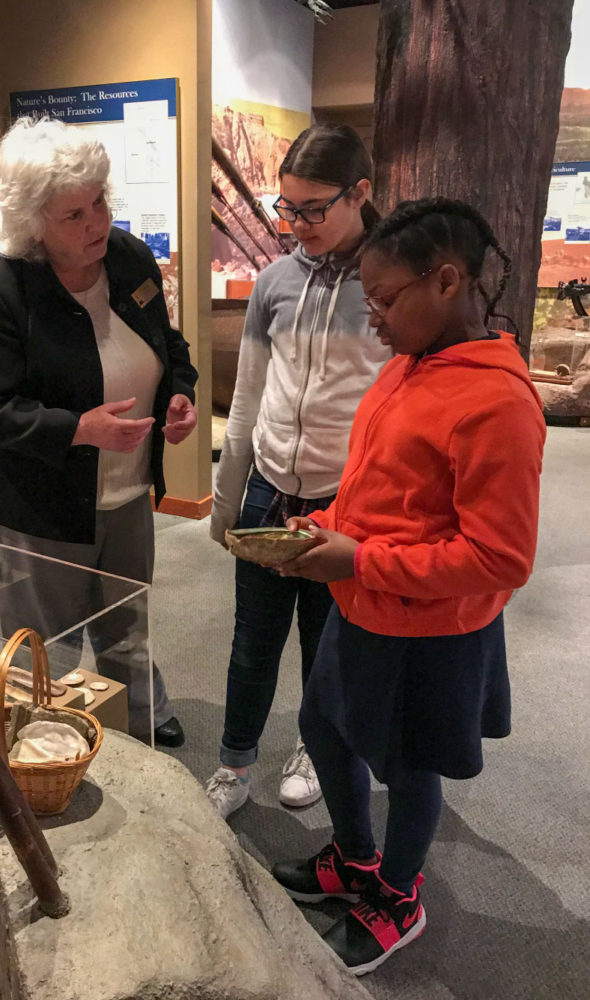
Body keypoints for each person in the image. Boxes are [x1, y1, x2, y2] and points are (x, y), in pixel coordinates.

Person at [271, 197, 546, 975]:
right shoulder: (406, 367)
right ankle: (356, 859)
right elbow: (381, 490)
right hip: (362, 605)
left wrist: (355, 560)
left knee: (409, 765)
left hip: (426, 628)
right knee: (323, 726)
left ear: (448, 280)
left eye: (386, 300)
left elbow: (500, 559)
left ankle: (399, 894)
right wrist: (326, 523)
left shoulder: (496, 402)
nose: (375, 319)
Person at [0, 116, 197, 746]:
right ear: (33, 222)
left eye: (101, 202)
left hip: (126, 487)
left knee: (127, 615)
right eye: (75, 215)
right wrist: (77, 431)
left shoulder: (126, 255)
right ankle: (45, 745)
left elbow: (167, 344)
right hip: (37, 502)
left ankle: (140, 713)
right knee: (45, 640)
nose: (97, 223)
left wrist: (179, 394)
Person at [205, 125, 391, 818]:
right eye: (288, 208)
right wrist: (227, 503)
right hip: (266, 491)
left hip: (343, 500)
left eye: (314, 208)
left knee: (326, 643)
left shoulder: (388, 284)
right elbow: (250, 394)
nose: (297, 224)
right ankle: (233, 763)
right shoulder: (277, 282)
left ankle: (314, 746)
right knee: (251, 641)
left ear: (360, 193)